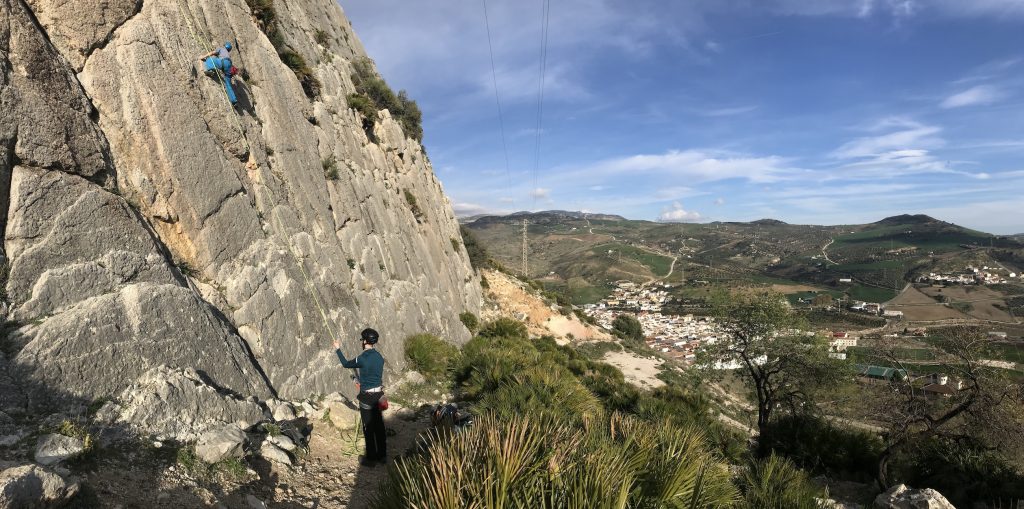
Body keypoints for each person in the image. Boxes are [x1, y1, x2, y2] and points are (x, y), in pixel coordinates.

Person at [334, 328, 387, 466]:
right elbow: (372, 376)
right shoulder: (379, 357)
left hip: (367, 397)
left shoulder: (362, 358)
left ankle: (371, 459)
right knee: (379, 426)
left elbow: (346, 364)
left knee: (368, 427)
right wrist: (358, 382)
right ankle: (382, 456)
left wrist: (337, 349)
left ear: (364, 342)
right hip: (378, 395)